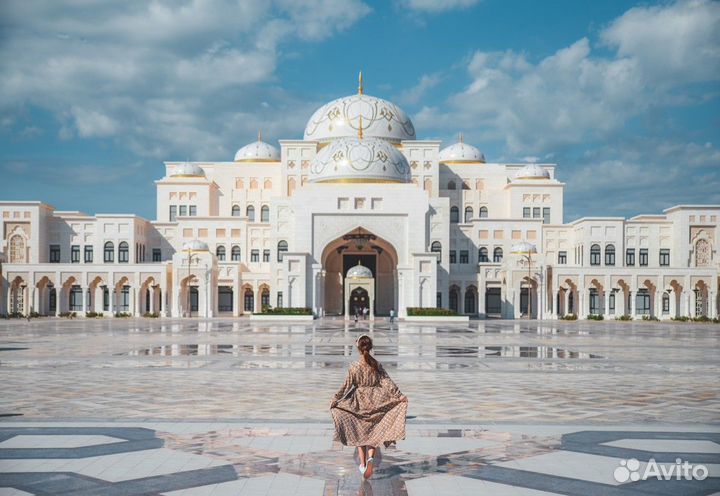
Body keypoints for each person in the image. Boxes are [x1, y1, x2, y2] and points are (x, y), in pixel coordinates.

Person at [330, 334, 408, 479]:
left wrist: (336, 399)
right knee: (373, 431)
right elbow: (387, 382)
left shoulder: (354, 367)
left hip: (359, 401)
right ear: (370, 348)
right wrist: (399, 396)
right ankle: (371, 457)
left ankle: (363, 463)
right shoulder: (376, 365)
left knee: (359, 433)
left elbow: (346, 385)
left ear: (358, 349)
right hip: (377, 399)